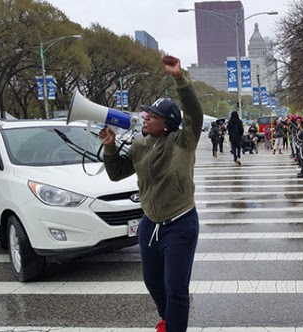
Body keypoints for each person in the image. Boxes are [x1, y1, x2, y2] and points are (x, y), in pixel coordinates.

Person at [99, 55, 202, 332]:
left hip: (180, 224)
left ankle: (174, 327)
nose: (145, 117)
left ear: (167, 122)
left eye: (152, 116)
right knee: (153, 283)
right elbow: (117, 172)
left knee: (175, 287)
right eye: (145, 114)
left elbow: (195, 113)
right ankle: (170, 321)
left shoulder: (183, 140)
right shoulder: (141, 144)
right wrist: (109, 147)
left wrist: (180, 78)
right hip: (149, 225)